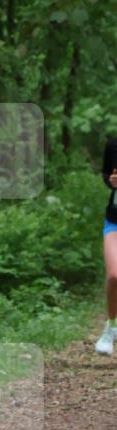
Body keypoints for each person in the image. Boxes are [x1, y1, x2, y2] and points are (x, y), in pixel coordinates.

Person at [95, 134, 117, 355]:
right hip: (115, 220)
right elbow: (105, 173)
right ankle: (111, 328)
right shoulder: (113, 143)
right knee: (114, 276)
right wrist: (110, 181)